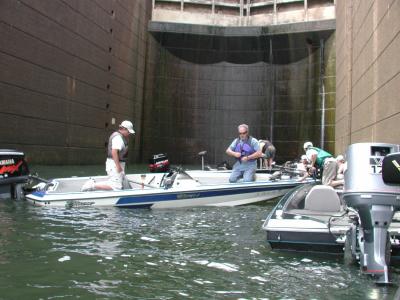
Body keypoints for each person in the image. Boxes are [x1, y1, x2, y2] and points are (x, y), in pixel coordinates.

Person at [81, 120, 135, 191]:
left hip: (115, 164)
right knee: (116, 187)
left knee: (116, 183)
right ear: (124, 129)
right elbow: (114, 152)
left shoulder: (120, 136)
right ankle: (91, 185)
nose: (129, 134)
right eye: (128, 132)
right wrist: (118, 166)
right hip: (114, 165)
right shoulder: (118, 138)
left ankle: (92, 184)